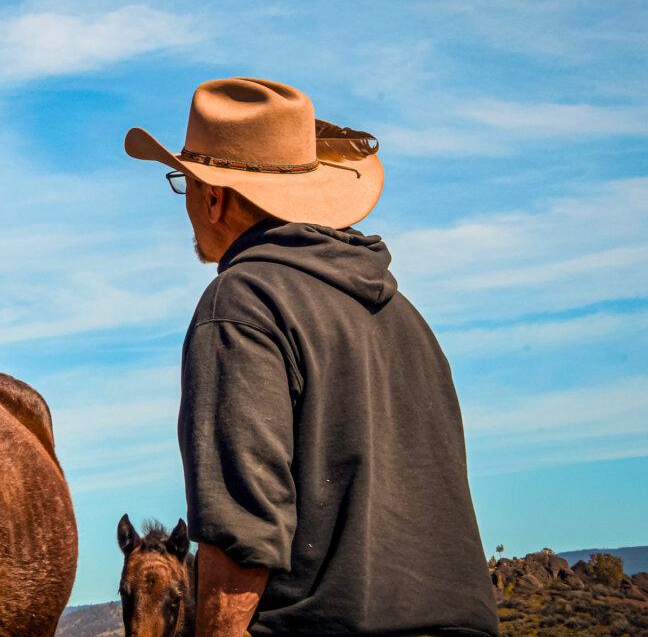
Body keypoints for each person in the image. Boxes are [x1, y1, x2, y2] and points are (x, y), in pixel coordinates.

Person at [123, 78, 499, 637]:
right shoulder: (407, 318)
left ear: (214, 195)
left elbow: (239, 536)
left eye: (184, 184)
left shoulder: (241, 303)